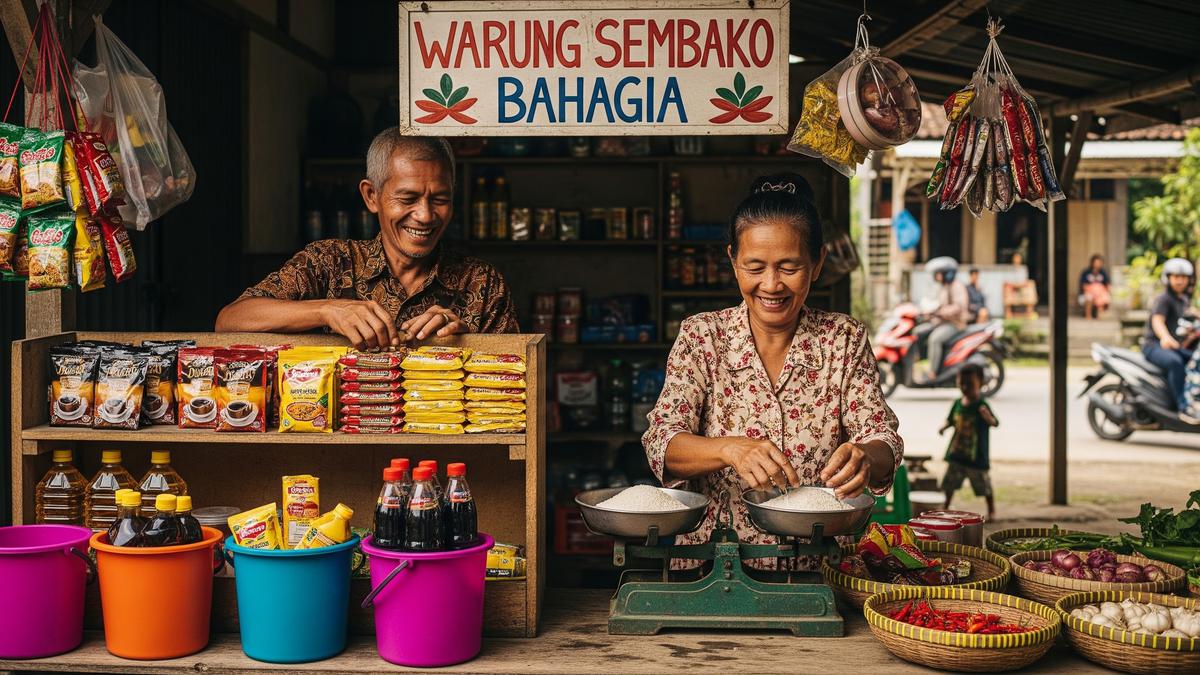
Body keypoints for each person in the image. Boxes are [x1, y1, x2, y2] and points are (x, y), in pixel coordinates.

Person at [641, 173, 903, 570]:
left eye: (789, 267)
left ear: (817, 264)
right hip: (713, 564)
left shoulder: (843, 339)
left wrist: (866, 456)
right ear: (733, 261)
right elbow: (662, 441)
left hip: (821, 567)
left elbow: (883, 439)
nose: (771, 284)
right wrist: (729, 448)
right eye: (755, 267)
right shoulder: (703, 336)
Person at [216, 130, 519, 346]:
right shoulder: (329, 262)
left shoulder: (482, 282)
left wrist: (468, 343)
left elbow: (514, 389)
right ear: (372, 196)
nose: (426, 215)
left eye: (440, 199)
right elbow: (230, 320)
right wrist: (327, 309)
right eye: (408, 198)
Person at [939, 363, 998, 520]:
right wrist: (944, 427)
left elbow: (995, 423)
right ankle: (946, 505)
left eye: (969, 384)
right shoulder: (958, 403)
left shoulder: (982, 406)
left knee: (984, 485)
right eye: (961, 384)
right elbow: (951, 419)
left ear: (980, 382)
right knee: (950, 482)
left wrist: (988, 418)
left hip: (976, 455)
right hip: (957, 452)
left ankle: (991, 509)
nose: (964, 387)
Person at [1142, 257, 1196, 417]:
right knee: (1175, 363)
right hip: (1154, 346)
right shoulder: (1163, 299)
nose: (1180, 281)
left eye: (1183, 277)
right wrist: (1165, 337)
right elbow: (1157, 320)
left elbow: (1189, 317)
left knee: (1194, 360)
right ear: (1168, 278)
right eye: (1176, 277)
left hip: (1174, 346)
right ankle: (1182, 406)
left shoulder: (1183, 300)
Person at [922, 257, 970, 382]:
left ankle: (932, 372)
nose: (936, 276)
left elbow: (958, 306)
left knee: (935, 339)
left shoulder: (957, 286)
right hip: (944, 322)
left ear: (947, 274)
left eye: (938, 273)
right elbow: (939, 304)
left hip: (955, 324)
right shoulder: (944, 287)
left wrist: (940, 312)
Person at [1079, 254, 1111, 320]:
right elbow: (1083, 286)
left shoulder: (1103, 272)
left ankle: (1099, 316)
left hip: (1100, 293)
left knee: (1103, 297)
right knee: (1089, 297)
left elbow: (1107, 285)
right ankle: (1088, 316)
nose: (1097, 264)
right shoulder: (1086, 272)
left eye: (1099, 262)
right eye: (1096, 262)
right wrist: (1094, 290)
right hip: (1088, 292)